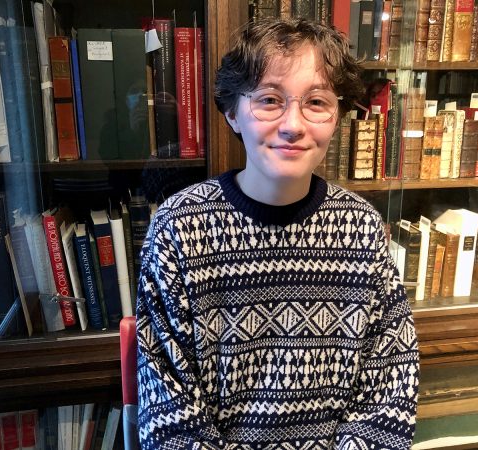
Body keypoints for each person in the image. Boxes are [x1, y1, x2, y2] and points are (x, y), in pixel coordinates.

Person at [136, 18, 419, 450]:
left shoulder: (362, 227)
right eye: (269, 100)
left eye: (317, 102)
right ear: (232, 111)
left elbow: (392, 385)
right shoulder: (179, 227)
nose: (293, 125)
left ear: (338, 114)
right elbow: (169, 417)